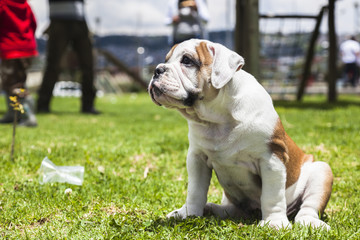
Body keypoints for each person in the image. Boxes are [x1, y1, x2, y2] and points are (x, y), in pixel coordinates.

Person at [37, 0, 100, 114]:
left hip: (79, 19)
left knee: (88, 64)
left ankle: (88, 105)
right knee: (53, 65)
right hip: (58, 19)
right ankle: (43, 105)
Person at [0, 0, 38, 127]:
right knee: (12, 82)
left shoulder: (3, 3)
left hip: (11, 49)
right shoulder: (24, 4)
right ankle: (12, 113)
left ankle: (28, 116)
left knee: (15, 84)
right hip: (27, 48)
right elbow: (33, 23)